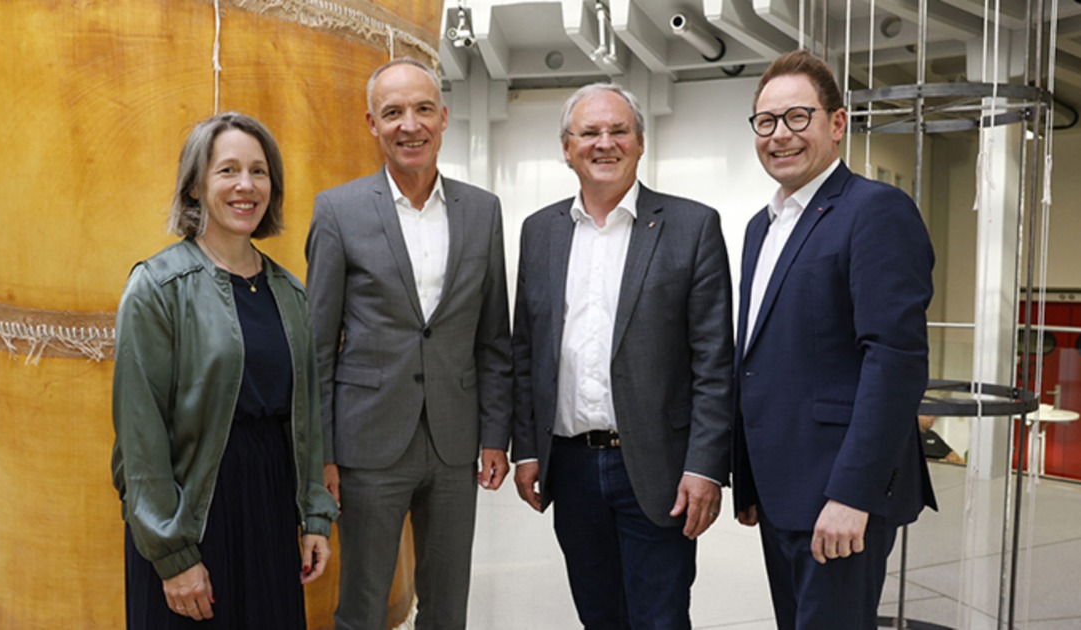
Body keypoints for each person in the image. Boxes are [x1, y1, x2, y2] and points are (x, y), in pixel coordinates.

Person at [511, 83, 733, 629]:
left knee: (660, 619)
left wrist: (705, 466)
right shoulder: (539, 232)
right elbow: (525, 350)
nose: (604, 143)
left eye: (619, 131)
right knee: (599, 616)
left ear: (640, 142)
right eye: (589, 132)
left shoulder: (692, 227)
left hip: (658, 469)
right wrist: (527, 448)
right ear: (567, 148)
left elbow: (713, 363)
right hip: (572, 467)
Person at [730, 49, 937, 629]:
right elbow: (760, 357)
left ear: (837, 123)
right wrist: (748, 478)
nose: (780, 134)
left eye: (798, 116)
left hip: (838, 496)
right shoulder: (761, 227)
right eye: (766, 121)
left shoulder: (875, 211)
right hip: (782, 491)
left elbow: (894, 360)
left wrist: (854, 495)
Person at [305, 58, 512, 630]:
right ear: (372, 123)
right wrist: (322, 452)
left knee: (447, 607)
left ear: (443, 117)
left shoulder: (483, 211)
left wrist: (495, 435)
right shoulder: (338, 211)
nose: (410, 125)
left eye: (422, 109)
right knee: (364, 606)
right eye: (393, 112)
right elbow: (316, 345)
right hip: (367, 440)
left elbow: (493, 337)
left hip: (454, 440)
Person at [111, 111, 338, 629]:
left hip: (270, 501)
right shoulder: (157, 287)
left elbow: (305, 418)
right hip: (192, 511)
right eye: (228, 170)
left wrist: (314, 516)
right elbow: (140, 440)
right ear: (195, 186)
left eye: (259, 171)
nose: (246, 186)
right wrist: (174, 555)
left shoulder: (289, 292)